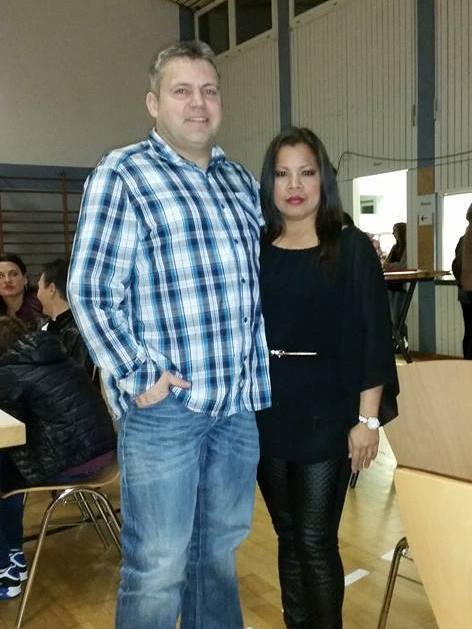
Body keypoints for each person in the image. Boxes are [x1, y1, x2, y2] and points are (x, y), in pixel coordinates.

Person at [67, 40, 270, 629]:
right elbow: (90, 287)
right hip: (165, 411)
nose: (198, 103)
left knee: (218, 557)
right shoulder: (124, 173)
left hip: (235, 407)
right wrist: (138, 375)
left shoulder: (238, 180)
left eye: (209, 90)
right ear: (154, 103)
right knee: (157, 566)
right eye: (182, 91)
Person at [256, 127, 398, 629]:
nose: (294, 185)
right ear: (270, 183)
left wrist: (368, 420)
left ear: (324, 180)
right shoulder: (258, 246)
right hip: (269, 409)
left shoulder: (349, 245)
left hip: (328, 411)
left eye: (307, 172)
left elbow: (375, 335)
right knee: (288, 537)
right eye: (282, 173)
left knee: (315, 541)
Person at [0, 316, 116, 600]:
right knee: (5, 468)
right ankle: (12, 552)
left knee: (4, 469)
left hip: (72, 460)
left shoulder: (10, 373)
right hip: (104, 453)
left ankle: (5, 568)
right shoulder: (54, 354)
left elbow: (11, 429)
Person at [37, 258, 95, 378]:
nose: (37, 295)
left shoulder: (79, 333)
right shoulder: (47, 326)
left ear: (52, 289)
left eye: (39, 288)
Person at [0, 254, 43, 329]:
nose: (7, 280)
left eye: (13, 274)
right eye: (1, 276)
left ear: (25, 279)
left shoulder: (41, 306)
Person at [452, 202, 472, 359]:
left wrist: (462, 282)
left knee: (469, 332)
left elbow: (455, 265)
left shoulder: (463, 238)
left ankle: (467, 365)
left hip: (465, 292)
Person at [383, 222, 408, 347]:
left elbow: (403, 265)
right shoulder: (394, 248)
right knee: (391, 318)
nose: (393, 233)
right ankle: (399, 342)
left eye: (395, 231)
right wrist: (393, 266)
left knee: (396, 317)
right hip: (390, 285)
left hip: (400, 286)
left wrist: (391, 266)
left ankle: (403, 341)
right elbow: (385, 264)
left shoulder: (407, 248)